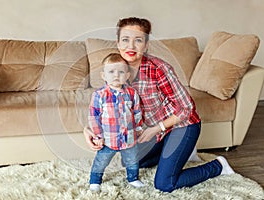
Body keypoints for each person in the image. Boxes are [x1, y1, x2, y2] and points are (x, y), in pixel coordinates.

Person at [83, 17, 235, 193]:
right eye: (125, 39)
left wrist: (156, 129)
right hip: (159, 132)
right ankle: (178, 153)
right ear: (118, 43)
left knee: (165, 183)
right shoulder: (117, 71)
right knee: (130, 161)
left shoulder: (158, 68)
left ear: (146, 45)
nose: (131, 46)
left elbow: (187, 108)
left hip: (182, 125)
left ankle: (218, 166)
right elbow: (103, 106)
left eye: (138, 40)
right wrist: (88, 130)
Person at [88, 53, 145, 192]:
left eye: (120, 72)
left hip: (129, 138)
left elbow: (137, 111)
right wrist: (97, 136)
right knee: (101, 161)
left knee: (132, 160)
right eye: (111, 72)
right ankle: (95, 180)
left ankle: (133, 178)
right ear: (104, 75)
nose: (116, 75)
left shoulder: (131, 93)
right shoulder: (99, 95)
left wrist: (138, 129)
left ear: (126, 75)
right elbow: (93, 116)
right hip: (108, 139)